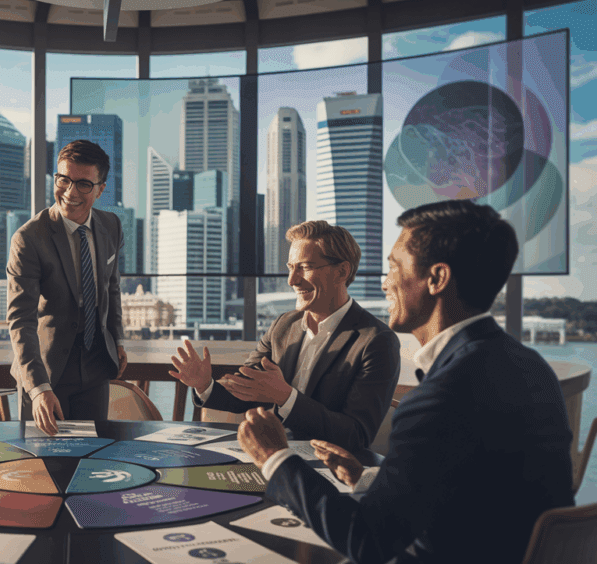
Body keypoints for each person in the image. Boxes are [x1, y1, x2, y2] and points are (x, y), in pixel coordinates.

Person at [238, 201, 575, 564]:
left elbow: (366, 542)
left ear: (436, 279)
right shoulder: (529, 366)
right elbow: (476, 488)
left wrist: (275, 458)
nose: (385, 284)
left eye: (393, 268)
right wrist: (369, 480)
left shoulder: (441, 398)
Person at [170, 220, 400, 451]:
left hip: (329, 469)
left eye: (305, 267)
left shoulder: (376, 341)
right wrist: (204, 385)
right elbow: (245, 390)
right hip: (272, 456)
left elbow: (356, 436)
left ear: (342, 271)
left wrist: (286, 397)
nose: (292, 280)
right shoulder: (284, 325)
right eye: (291, 267)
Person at [7, 139, 128, 435]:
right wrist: (37, 388)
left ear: (100, 189)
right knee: (43, 470)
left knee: (93, 462)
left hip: (95, 366)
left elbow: (111, 288)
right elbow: (21, 320)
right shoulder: (29, 238)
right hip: (46, 370)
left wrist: (118, 340)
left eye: (84, 184)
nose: (71, 192)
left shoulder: (112, 226)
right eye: (64, 180)